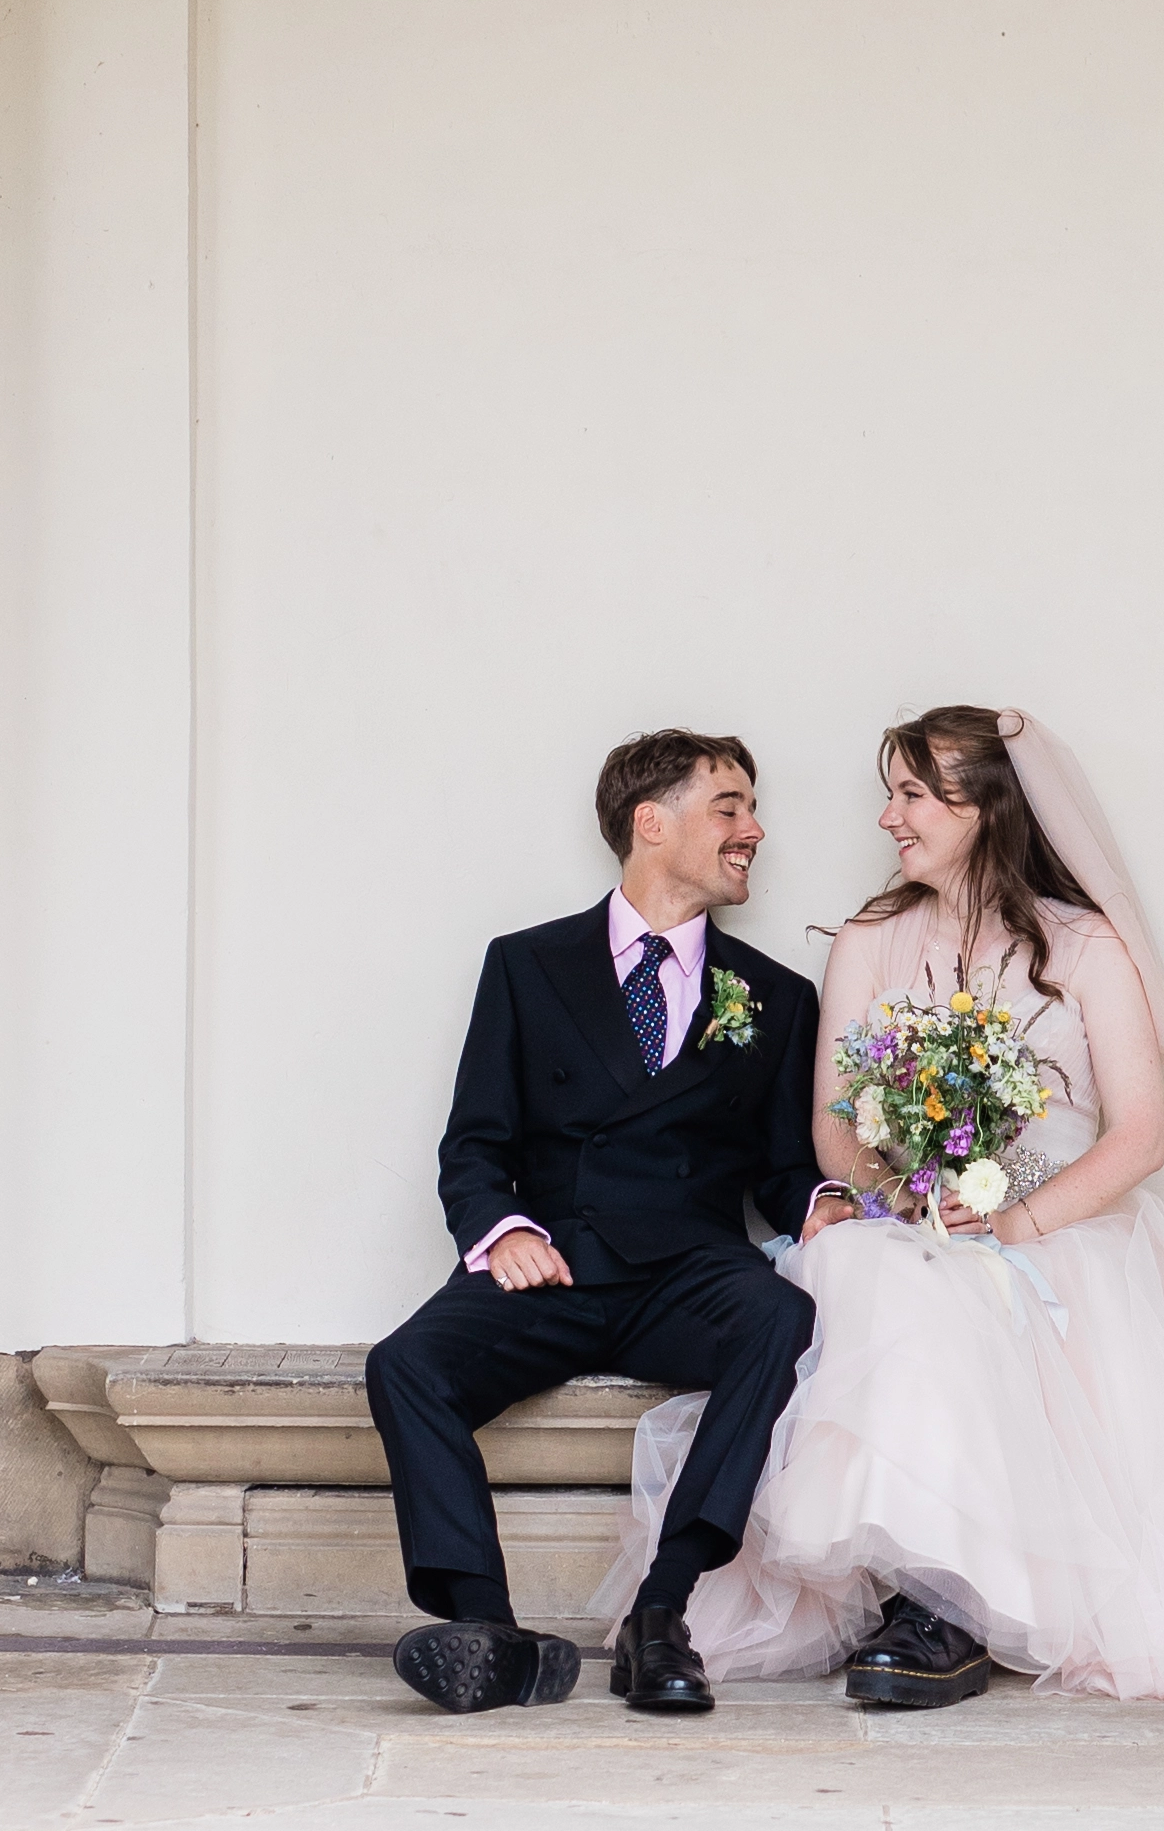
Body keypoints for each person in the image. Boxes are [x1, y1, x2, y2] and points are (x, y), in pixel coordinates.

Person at [605, 705, 1164, 1709]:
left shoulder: (1087, 948)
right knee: (868, 1272)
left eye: (912, 795)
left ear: (985, 808)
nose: (888, 817)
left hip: (1059, 1232)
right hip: (913, 1222)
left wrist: (1012, 1226)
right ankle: (920, 1596)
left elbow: (1140, 1136)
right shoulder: (870, 939)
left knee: (985, 1298)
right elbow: (834, 1127)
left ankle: (949, 1617)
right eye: (891, 794)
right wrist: (907, 1195)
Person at [366, 727, 856, 1718]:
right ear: (651, 823)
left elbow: (782, 1167)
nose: (754, 831)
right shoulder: (526, 965)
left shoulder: (776, 995)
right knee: (405, 1365)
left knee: (779, 1316)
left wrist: (824, 1204)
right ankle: (485, 1627)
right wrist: (504, 1231)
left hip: (687, 1274)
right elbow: (475, 1144)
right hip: (555, 1264)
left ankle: (663, 1611)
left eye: (753, 810)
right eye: (729, 807)